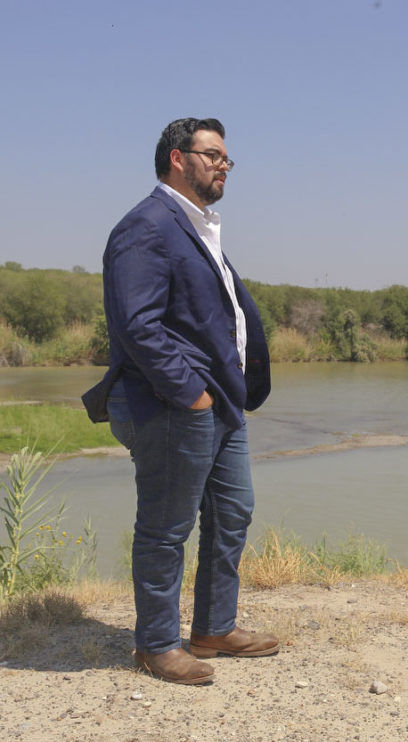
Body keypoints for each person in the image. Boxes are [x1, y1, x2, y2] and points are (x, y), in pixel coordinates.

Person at [82, 117, 278, 685]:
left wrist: (221, 394)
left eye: (226, 159)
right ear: (177, 158)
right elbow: (137, 325)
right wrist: (190, 395)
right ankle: (157, 644)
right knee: (167, 528)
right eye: (213, 155)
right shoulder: (146, 226)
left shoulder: (199, 227)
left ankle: (214, 628)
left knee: (232, 512)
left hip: (223, 402)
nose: (223, 165)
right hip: (174, 405)